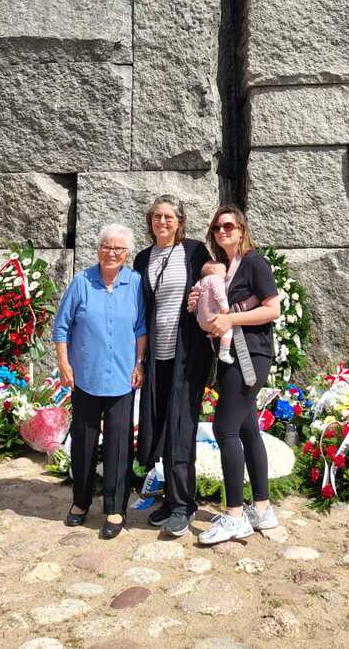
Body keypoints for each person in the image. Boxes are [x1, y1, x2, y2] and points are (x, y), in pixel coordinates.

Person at [189, 205, 281, 546]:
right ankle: (261, 507)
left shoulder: (255, 263)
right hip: (231, 356)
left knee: (223, 428)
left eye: (228, 226)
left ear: (241, 229)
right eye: (216, 228)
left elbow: (273, 309)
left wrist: (230, 320)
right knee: (245, 427)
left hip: (252, 354)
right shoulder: (222, 270)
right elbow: (218, 310)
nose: (222, 231)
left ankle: (234, 515)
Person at [52, 223, 147, 540]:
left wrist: (139, 363)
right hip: (85, 377)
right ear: (98, 249)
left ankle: (115, 508)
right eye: (107, 247)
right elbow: (61, 328)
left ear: (127, 253)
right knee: (83, 443)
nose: (112, 253)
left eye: (119, 249)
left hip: (122, 377)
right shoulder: (81, 282)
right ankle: (80, 502)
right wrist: (64, 364)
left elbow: (141, 329)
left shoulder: (134, 283)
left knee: (120, 447)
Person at [134, 195, 211, 537]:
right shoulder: (142, 258)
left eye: (169, 217)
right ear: (150, 221)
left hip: (187, 356)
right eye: (156, 216)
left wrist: (214, 270)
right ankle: (169, 497)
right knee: (160, 426)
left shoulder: (194, 252)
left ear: (180, 222)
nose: (162, 222)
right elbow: (139, 309)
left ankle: (184, 505)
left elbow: (213, 278)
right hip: (156, 358)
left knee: (181, 428)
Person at [195, 260, 234, 364]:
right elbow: (219, 293)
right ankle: (224, 352)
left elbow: (196, 293)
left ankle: (213, 340)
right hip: (213, 316)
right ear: (213, 270)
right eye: (224, 270)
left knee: (217, 330)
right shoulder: (216, 279)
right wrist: (225, 306)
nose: (225, 274)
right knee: (228, 330)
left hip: (201, 321)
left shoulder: (200, 282)